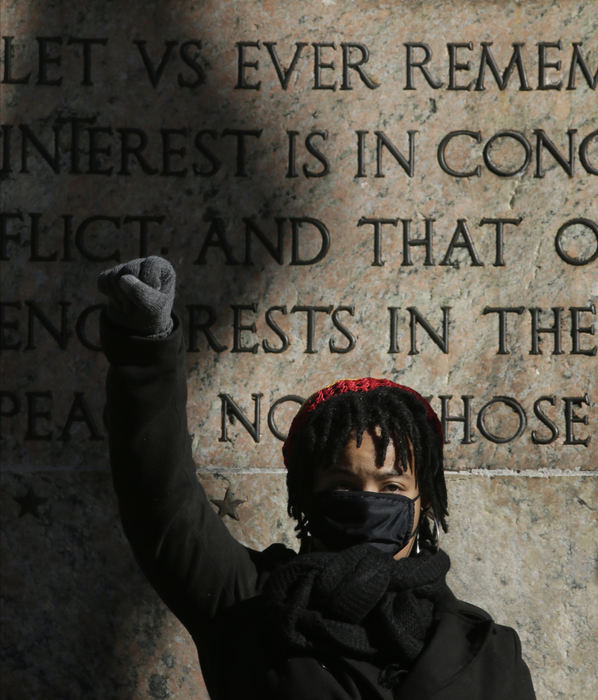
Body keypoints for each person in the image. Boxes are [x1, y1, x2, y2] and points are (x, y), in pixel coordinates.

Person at [98, 256, 536, 700]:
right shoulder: (247, 604)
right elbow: (160, 499)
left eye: (391, 488)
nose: (369, 503)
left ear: (424, 501)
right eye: (344, 486)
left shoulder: (487, 650)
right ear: (308, 495)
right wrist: (144, 349)